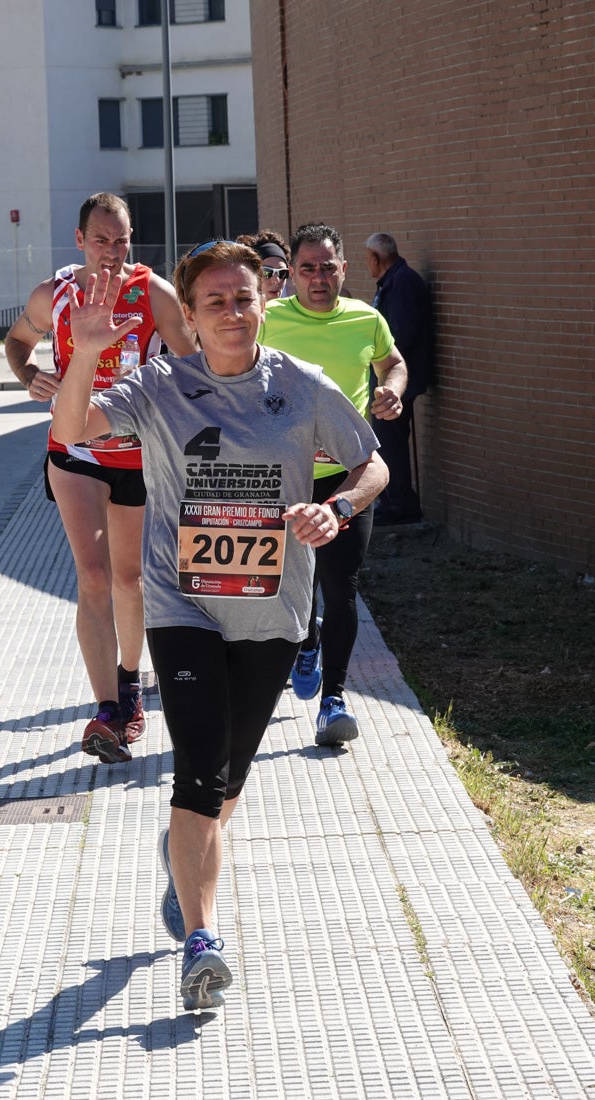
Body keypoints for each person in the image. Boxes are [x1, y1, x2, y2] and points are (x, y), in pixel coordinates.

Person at [50, 240, 388, 1012]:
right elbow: (74, 429)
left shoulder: (299, 386)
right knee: (198, 768)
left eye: (243, 298)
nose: (232, 313)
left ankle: (181, 855)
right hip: (183, 604)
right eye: (215, 303)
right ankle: (202, 941)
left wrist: (334, 509)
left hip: (270, 611)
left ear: (260, 302)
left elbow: (371, 462)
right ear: (191, 316)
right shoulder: (161, 384)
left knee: (228, 777)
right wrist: (85, 355)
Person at [5, 192, 194, 763]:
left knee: (128, 580)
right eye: (101, 239)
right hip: (74, 451)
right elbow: (16, 342)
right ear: (80, 239)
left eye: (122, 239)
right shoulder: (54, 294)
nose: (112, 251)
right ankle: (107, 710)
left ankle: (131, 682)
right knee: (92, 577)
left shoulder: (152, 292)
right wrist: (30, 374)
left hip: (137, 456)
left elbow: (194, 367)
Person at [260, 222, 407, 745]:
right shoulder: (268, 319)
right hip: (284, 478)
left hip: (350, 476)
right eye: (307, 269)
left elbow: (394, 363)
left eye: (328, 268)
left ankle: (335, 700)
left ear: (343, 270)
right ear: (291, 273)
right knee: (289, 583)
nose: (318, 278)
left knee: (340, 585)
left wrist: (391, 390)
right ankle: (305, 641)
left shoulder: (366, 319)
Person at [365, 232, 433, 525]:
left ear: (377, 258)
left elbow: (401, 334)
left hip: (397, 380)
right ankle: (393, 500)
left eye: (368, 258)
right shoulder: (393, 280)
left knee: (390, 440)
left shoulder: (402, 282)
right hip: (389, 378)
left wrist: (382, 362)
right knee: (387, 439)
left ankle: (400, 503)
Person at [236, 228, 292, 301]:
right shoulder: (237, 311)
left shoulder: (295, 310)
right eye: (266, 272)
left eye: (282, 273)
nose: (276, 280)